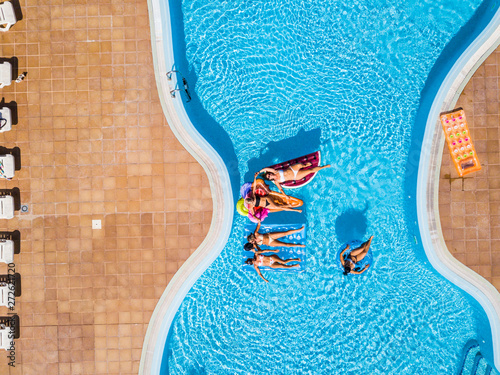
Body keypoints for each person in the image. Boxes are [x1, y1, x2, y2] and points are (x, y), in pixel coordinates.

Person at [256, 162, 331, 193]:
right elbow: (280, 189)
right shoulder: (276, 181)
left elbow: (265, 169)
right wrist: (285, 196)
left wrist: (259, 172)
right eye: (269, 177)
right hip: (296, 176)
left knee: (299, 164)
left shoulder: (274, 171)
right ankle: (324, 167)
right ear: (270, 179)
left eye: (269, 174)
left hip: (291, 169)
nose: (270, 176)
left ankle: (304, 165)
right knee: (310, 170)